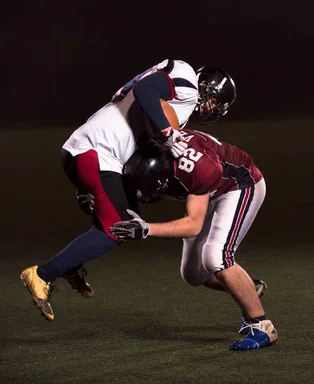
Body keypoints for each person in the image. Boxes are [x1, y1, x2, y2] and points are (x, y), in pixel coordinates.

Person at [20, 59, 237, 322]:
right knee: (116, 227)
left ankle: (72, 265)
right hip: (96, 151)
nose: (212, 109)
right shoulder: (187, 80)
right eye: (215, 101)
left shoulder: (181, 96)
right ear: (206, 86)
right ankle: (43, 274)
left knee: (129, 219)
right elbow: (147, 88)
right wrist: (168, 133)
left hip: (101, 152)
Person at [109, 130, 278, 351]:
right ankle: (248, 288)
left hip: (237, 185)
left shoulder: (196, 169)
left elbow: (193, 225)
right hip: (204, 188)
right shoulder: (138, 153)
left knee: (216, 257)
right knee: (194, 274)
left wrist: (147, 229)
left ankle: (262, 325)